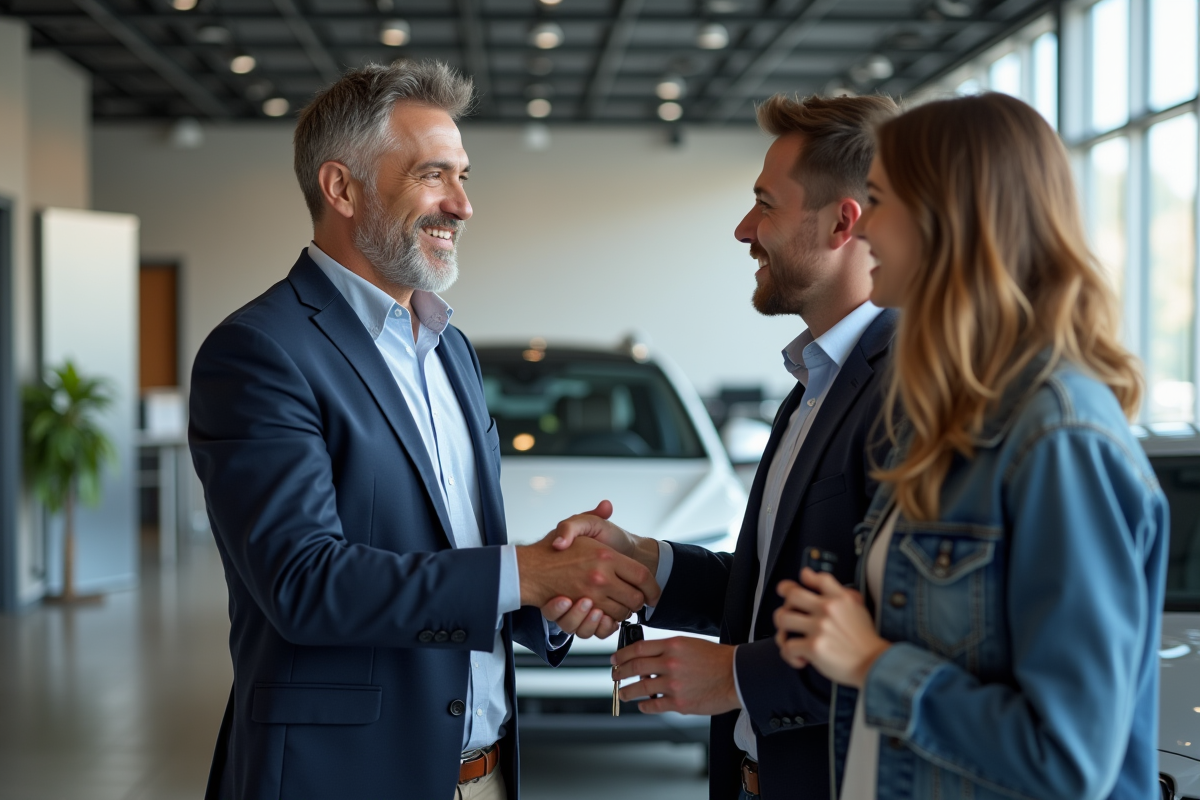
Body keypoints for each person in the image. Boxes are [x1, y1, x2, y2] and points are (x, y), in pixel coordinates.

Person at [188, 61, 657, 800]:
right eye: (433, 176)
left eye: (464, 176)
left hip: (485, 771)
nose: (463, 205)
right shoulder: (260, 351)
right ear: (341, 188)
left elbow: (454, 551)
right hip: (343, 779)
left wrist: (550, 594)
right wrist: (525, 572)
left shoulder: (450, 348)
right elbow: (303, 581)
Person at [772, 92, 1168, 800]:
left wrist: (872, 664)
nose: (865, 232)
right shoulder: (949, 420)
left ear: (948, 221)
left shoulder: (1058, 438)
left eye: (881, 200)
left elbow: (1069, 759)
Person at [551, 92, 899, 799]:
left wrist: (735, 674)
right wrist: (650, 564)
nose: (744, 229)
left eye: (765, 203)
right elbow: (780, 587)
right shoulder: (811, 386)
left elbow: (901, 641)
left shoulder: (910, 393)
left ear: (842, 221)